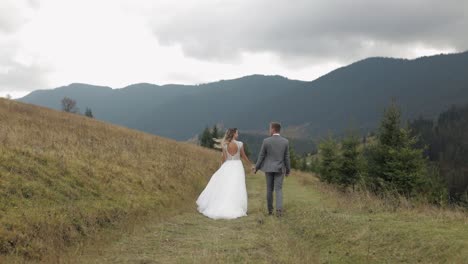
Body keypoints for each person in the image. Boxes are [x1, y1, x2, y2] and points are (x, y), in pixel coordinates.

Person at [196, 128, 252, 219]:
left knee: (226, 186)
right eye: (237, 132)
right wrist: (250, 165)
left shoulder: (225, 145)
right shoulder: (240, 144)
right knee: (236, 186)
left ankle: (222, 204)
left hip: (228, 166)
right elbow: (244, 156)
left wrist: (221, 168)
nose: (238, 134)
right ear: (233, 134)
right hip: (237, 166)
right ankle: (235, 205)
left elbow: (224, 159)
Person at [254, 122, 291, 217]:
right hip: (280, 169)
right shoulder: (285, 141)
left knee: (269, 190)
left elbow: (261, 156)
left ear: (273, 129)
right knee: (278, 189)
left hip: (268, 169)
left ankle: (270, 210)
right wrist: (288, 170)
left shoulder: (266, 141)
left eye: (270, 128)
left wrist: (256, 167)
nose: (269, 130)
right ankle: (279, 210)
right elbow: (287, 157)